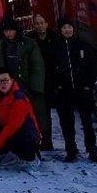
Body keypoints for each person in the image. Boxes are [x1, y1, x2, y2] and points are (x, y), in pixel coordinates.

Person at [51, 17, 97, 163]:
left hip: (83, 91)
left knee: (87, 123)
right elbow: (51, 68)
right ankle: (71, 150)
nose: (67, 30)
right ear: (60, 30)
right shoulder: (55, 46)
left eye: (69, 27)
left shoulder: (82, 45)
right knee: (67, 123)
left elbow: (92, 67)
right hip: (64, 91)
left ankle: (92, 150)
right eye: (64, 27)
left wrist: (88, 86)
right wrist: (57, 86)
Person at [0, 69, 41, 172]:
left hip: (27, 131)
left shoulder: (19, 99)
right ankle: (12, 154)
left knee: (21, 136)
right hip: (8, 127)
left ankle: (32, 159)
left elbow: (13, 126)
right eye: (0, 81)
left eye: (5, 80)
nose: (3, 84)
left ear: (12, 80)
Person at [25, 14, 57, 151]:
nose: (40, 26)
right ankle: (44, 140)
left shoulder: (55, 38)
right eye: (37, 23)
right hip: (38, 81)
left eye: (42, 23)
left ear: (46, 24)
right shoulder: (30, 39)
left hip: (54, 80)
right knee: (41, 112)